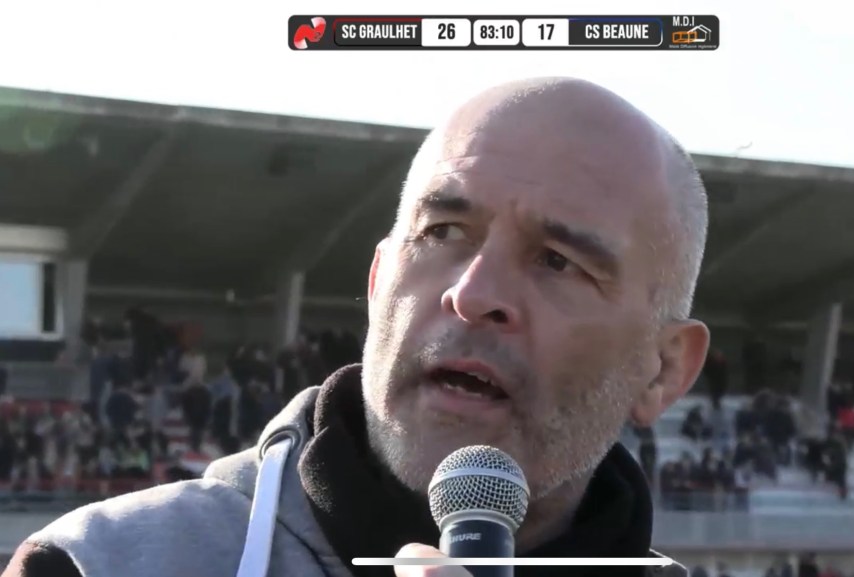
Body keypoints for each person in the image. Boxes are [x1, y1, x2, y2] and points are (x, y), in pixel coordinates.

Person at [3, 77, 710, 577]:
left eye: (558, 261)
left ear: (664, 369)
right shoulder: (97, 564)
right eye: (442, 232)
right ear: (377, 284)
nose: (472, 294)